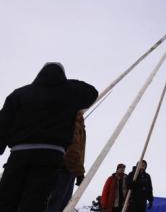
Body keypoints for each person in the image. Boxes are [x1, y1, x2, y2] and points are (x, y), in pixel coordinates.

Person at [0, 62, 98, 212]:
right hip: (51, 155)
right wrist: (64, 84)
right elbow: (92, 92)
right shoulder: (68, 93)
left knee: (7, 198)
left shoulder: (20, 94)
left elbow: (3, 123)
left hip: (20, 154)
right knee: (35, 201)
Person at [47, 111, 87, 212]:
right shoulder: (72, 123)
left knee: (62, 204)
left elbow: (78, 152)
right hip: (65, 167)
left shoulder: (80, 126)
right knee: (56, 203)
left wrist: (79, 172)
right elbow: (73, 149)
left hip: (71, 169)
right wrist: (79, 171)